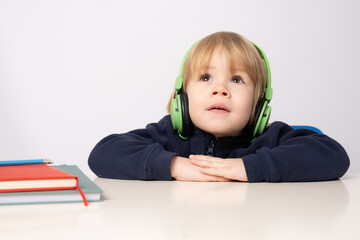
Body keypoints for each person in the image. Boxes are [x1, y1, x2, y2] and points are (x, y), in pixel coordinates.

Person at [88, 31, 350, 182]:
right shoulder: (170, 135)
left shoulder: (270, 138)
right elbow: (102, 153)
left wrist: (246, 167)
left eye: (236, 80)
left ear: (259, 104)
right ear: (183, 95)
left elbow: (334, 156)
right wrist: (176, 166)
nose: (220, 89)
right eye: (205, 78)